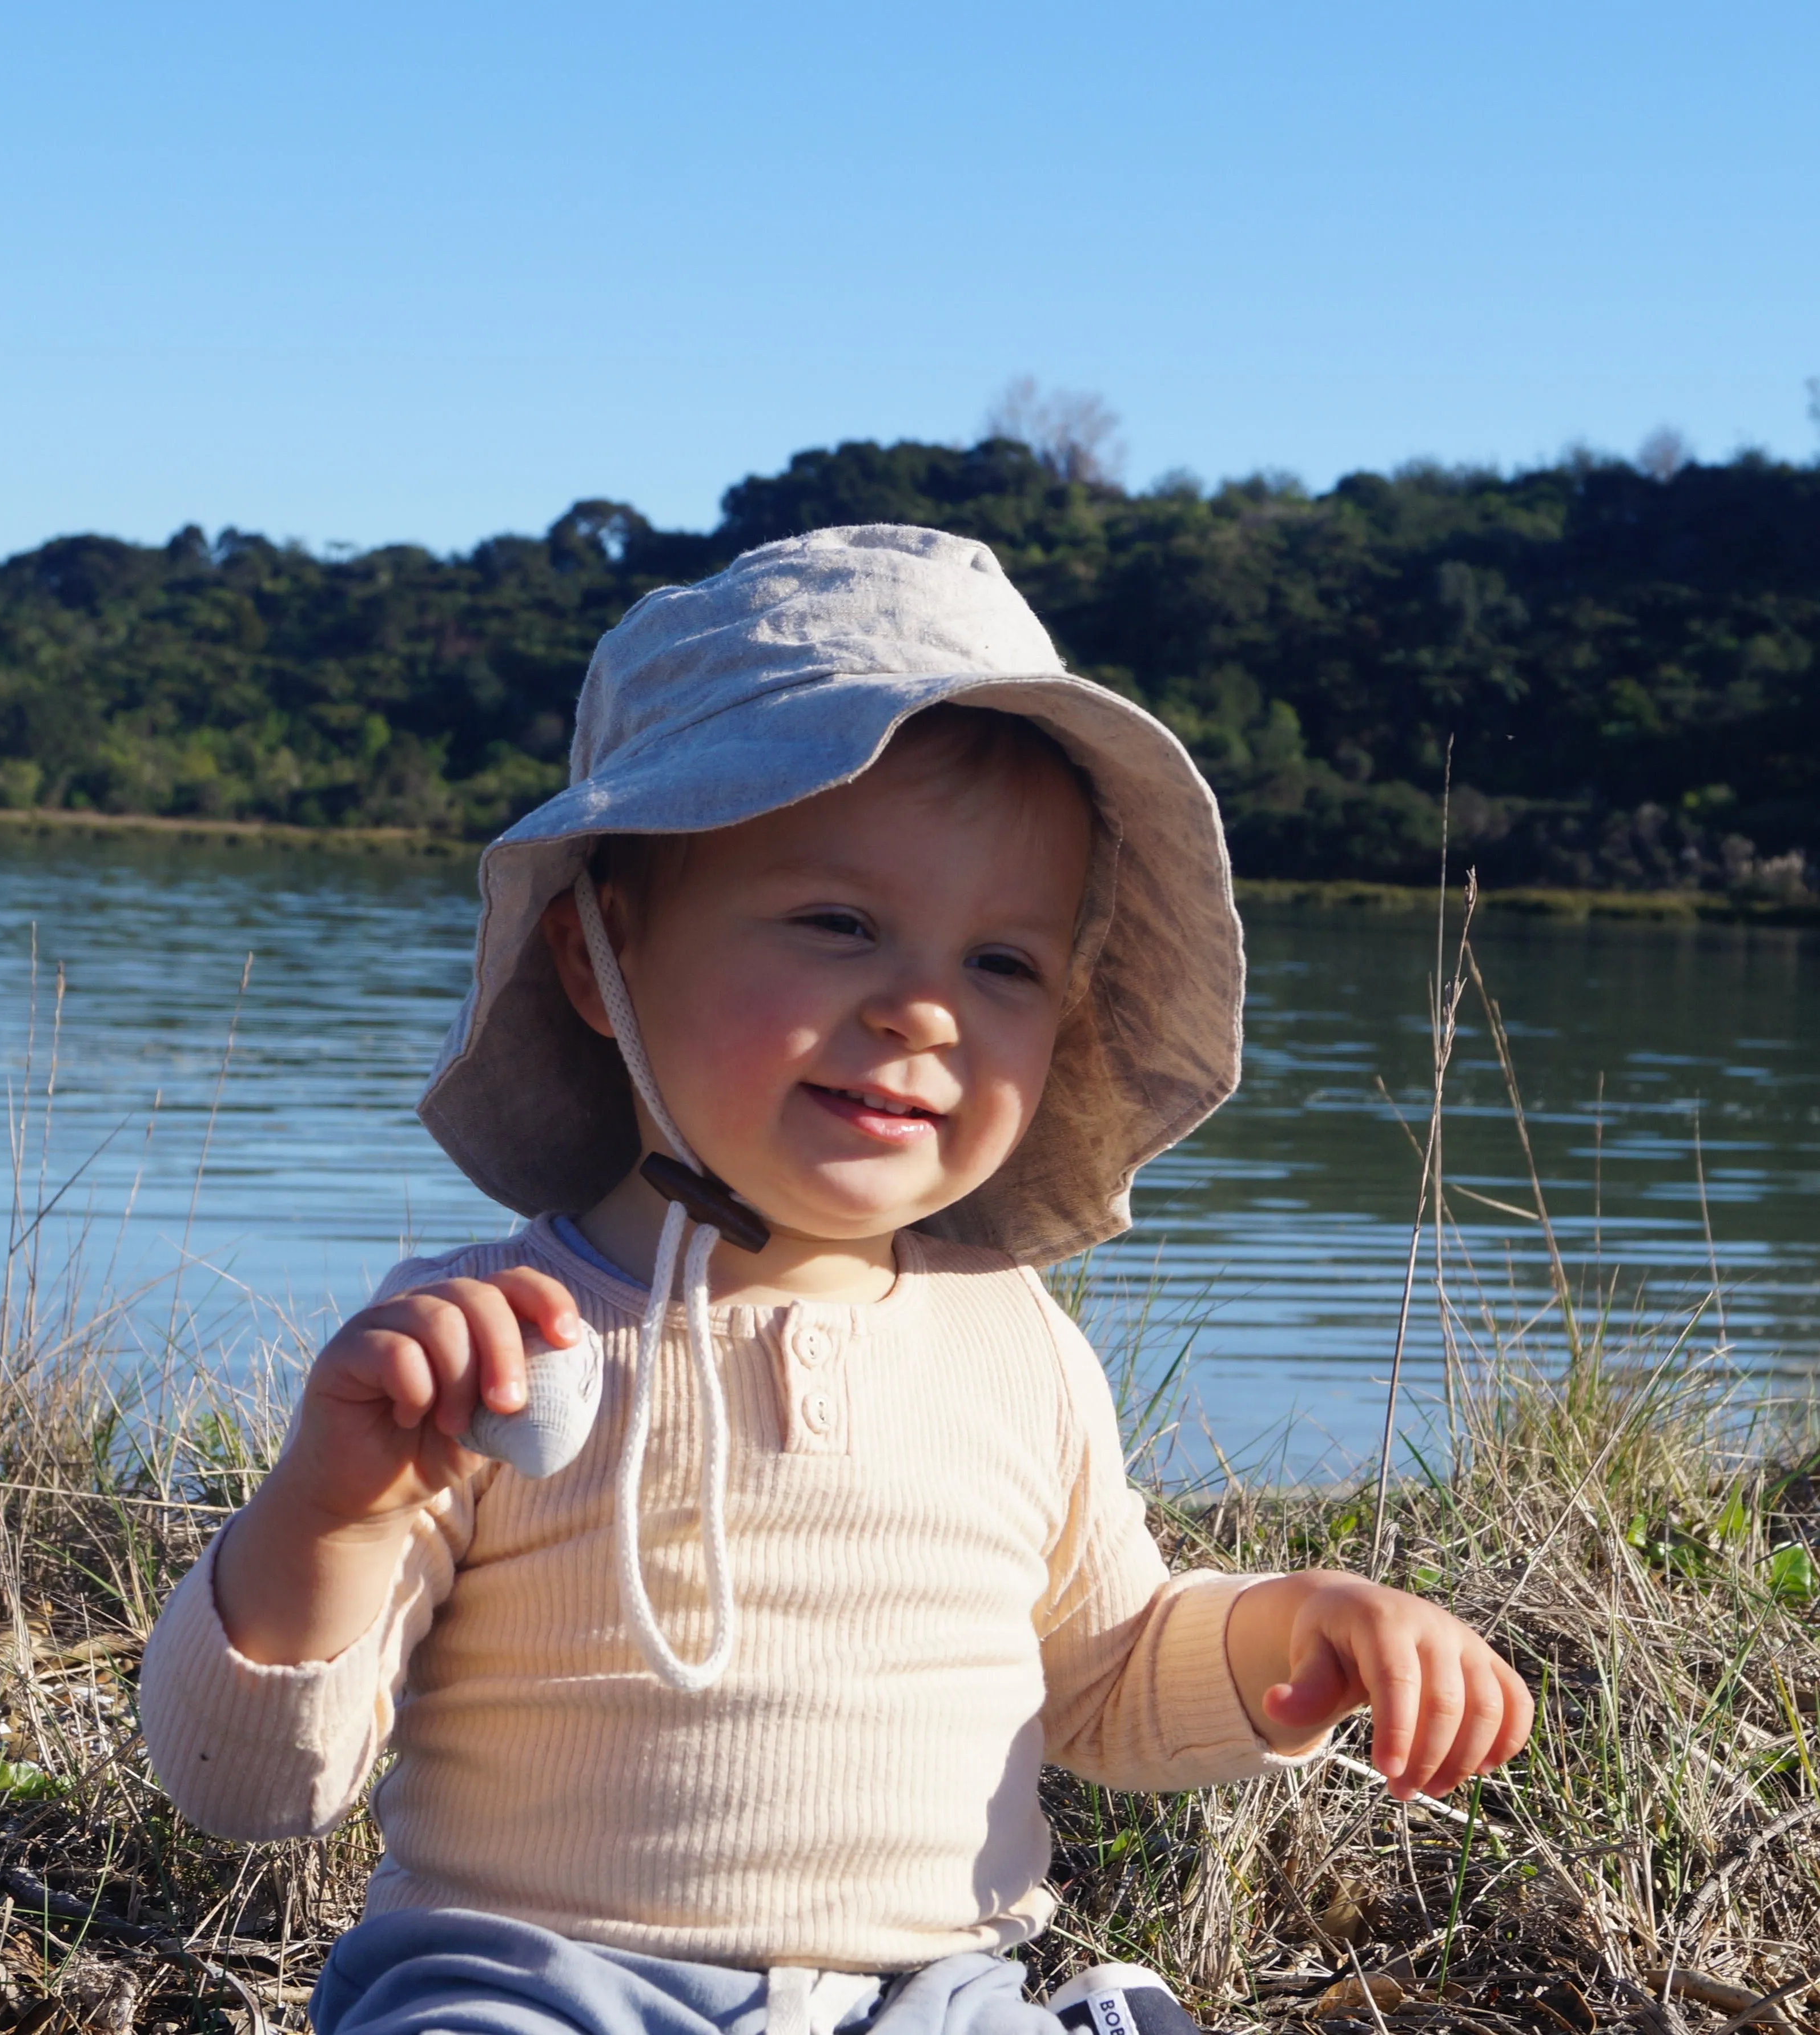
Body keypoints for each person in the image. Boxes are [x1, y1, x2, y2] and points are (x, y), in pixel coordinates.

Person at [139, 525, 1531, 2035]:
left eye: (1002, 963)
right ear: (599, 956)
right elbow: (251, 1785)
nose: (922, 1009)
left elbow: (1108, 1671)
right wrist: (330, 1510)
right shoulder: (484, 1345)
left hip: (930, 1995)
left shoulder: (1018, 1351)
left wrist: (1290, 1635)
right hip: (542, 1982)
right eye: (838, 923)